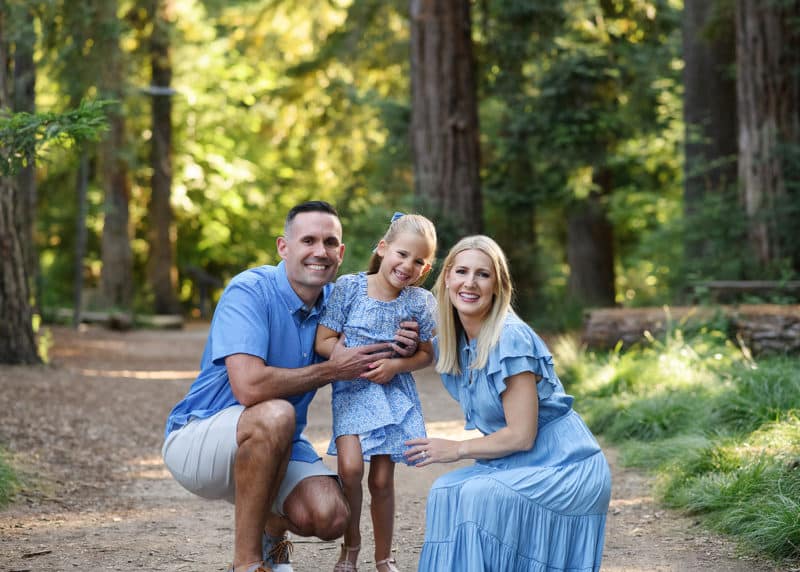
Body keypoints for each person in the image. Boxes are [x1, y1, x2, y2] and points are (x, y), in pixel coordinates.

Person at [162, 201, 420, 572]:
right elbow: (249, 388)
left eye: (330, 242)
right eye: (309, 240)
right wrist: (332, 370)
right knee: (277, 413)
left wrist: (404, 343)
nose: (320, 251)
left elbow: (378, 331)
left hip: (278, 444)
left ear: (341, 253)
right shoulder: (250, 291)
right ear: (284, 247)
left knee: (331, 516)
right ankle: (248, 564)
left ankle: (270, 526)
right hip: (201, 438)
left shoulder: (340, 303)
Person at [405, 235, 612, 572]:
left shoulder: (509, 336)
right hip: (522, 461)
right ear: (447, 278)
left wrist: (456, 449)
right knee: (444, 490)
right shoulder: (452, 339)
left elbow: (521, 436)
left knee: (476, 495)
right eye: (461, 271)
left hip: (564, 465)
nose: (470, 283)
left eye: (483, 275)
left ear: (498, 285)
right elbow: (410, 350)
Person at [315, 213, 438, 572]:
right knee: (350, 469)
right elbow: (323, 340)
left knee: (382, 480)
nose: (407, 265)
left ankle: (384, 557)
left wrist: (396, 366)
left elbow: (426, 355)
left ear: (425, 268)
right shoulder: (350, 288)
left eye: (418, 261)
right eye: (402, 254)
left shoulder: (418, 302)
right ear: (383, 249)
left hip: (392, 393)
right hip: (352, 390)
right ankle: (350, 547)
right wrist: (346, 361)